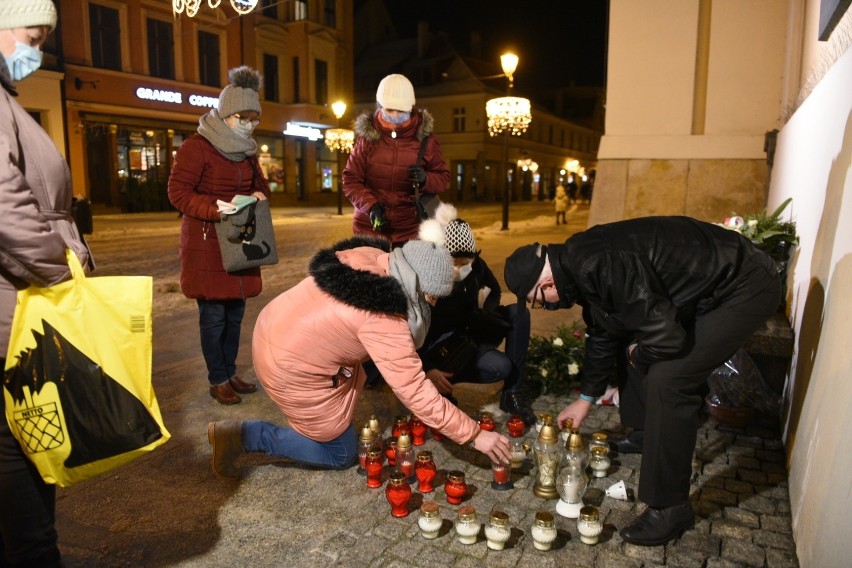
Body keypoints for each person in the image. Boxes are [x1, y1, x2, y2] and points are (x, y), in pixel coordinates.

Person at [504, 216, 780, 547]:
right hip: (718, 282)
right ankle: (647, 430)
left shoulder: (595, 263)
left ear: (547, 284)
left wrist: (640, 354)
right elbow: (603, 333)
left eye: (536, 299)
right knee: (631, 338)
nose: (543, 306)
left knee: (669, 377)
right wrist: (586, 399)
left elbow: (668, 339)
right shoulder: (578, 264)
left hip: (745, 284)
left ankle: (669, 506)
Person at [207, 223, 512, 476]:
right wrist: (474, 434)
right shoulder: (383, 314)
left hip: (274, 328)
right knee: (340, 452)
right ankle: (243, 435)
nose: (433, 305)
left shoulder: (377, 258)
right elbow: (414, 390)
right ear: (421, 287)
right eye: (433, 298)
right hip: (289, 364)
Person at [0, 2, 93, 565]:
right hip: (17, 304)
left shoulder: (8, 100)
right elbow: (6, 208)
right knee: (20, 449)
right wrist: (61, 275)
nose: (38, 53)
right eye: (33, 37)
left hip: (18, 300)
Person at [168, 66, 270, 405]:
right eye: (244, 117)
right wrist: (217, 208)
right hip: (207, 243)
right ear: (227, 114)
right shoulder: (197, 147)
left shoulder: (247, 150)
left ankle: (229, 371)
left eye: (254, 119)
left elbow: (260, 185)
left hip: (240, 241)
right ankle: (217, 379)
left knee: (235, 314)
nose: (250, 124)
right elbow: (178, 193)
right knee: (213, 317)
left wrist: (258, 194)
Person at [418, 204, 536, 425]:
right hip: (440, 347)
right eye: (455, 262)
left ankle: (512, 393)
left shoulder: (476, 265)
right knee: (496, 367)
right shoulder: (428, 274)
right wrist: (427, 369)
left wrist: (486, 312)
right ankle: (435, 390)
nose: (461, 267)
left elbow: (495, 289)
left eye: (466, 262)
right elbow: (408, 331)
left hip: (471, 335)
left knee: (519, 313)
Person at [343, 73, 450, 247]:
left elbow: (443, 179)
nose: (394, 116)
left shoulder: (425, 139)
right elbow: (350, 179)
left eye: (400, 111)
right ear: (379, 106)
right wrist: (371, 206)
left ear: (411, 109)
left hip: (410, 230)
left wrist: (425, 179)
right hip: (370, 229)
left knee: (405, 275)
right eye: (389, 110)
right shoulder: (367, 139)